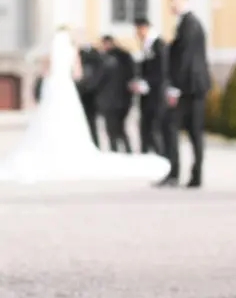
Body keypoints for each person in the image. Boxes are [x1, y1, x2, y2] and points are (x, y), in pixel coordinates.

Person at [0, 26, 169, 183]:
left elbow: (44, 72)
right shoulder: (73, 50)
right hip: (65, 88)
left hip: (53, 88)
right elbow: (77, 74)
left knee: (48, 121)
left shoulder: (50, 55)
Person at [157, 0, 210, 189]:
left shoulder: (190, 24)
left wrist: (175, 87)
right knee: (184, 130)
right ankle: (181, 173)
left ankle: (189, 174)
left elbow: (186, 59)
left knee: (185, 129)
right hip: (189, 87)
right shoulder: (186, 23)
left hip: (191, 88)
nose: (173, 3)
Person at [132, 18, 167, 156]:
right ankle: (146, 156)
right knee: (145, 130)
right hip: (147, 97)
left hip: (156, 96)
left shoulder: (158, 45)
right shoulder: (145, 45)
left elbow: (162, 71)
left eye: (138, 29)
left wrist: (146, 83)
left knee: (155, 130)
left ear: (144, 28)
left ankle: (161, 158)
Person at [97, 34, 135, 153]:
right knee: (120, 129)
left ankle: (116, 152)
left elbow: (98, 79)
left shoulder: (106, 59)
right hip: (123, 101)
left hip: (111, 102)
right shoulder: (125, 56)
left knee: (113, 130)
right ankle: (127, 151)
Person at [76, 40, 104, 147]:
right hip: (83, 94)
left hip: (90, 96)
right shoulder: (80, 56)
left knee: (91, 122)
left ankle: (94, 144)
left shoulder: (95, 58)